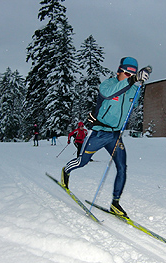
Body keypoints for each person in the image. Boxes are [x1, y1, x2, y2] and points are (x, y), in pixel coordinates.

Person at [61, 57, 150, 217]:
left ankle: (115, 203)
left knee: (122, 167)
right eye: (126, 73)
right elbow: (109, 94)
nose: (129, 76)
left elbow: (133, 104)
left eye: (133, 74)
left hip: (115, 135)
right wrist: (133, 80)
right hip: (100, 132)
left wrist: (140, 85)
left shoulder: (132, 89)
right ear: (119, 71)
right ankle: (66, 171)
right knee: (82, 161)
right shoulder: (108, 85)